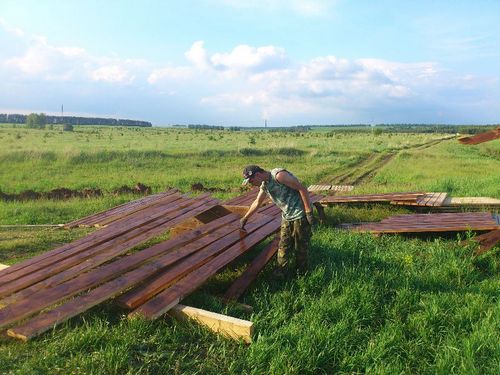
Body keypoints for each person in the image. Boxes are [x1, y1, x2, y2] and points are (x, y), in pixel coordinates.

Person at [239, 165, 314, 275]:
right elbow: (257, 202)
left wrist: (308, 212)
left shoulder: (279, 176)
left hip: (300, 214)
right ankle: (281, 271)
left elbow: (302, 188)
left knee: (300, 246)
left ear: (258, 175)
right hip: (287, 216)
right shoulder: (265, 184)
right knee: (283, 245)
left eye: (251, 181)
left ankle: (301, 273)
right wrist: (245, 218)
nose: (251, 184)